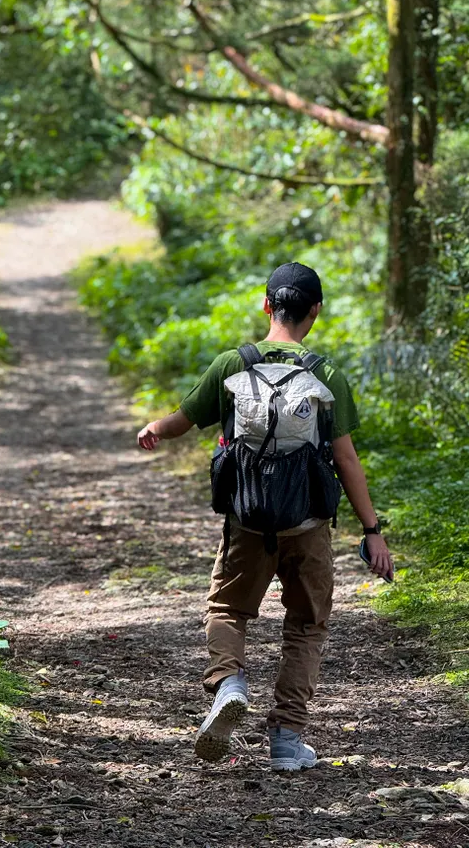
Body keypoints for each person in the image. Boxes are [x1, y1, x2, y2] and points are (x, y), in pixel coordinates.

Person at [136, 262, 393, 770]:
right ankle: (286, 739)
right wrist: (372, 531)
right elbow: (345, 460)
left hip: (246, 520)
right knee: (306, 624)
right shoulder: (326, 375)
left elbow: (183, 421)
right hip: (308, 525)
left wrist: (154, 429)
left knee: (228, 610)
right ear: (315, 311)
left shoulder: (233, 364)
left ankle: (229, 681)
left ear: (266, 304)